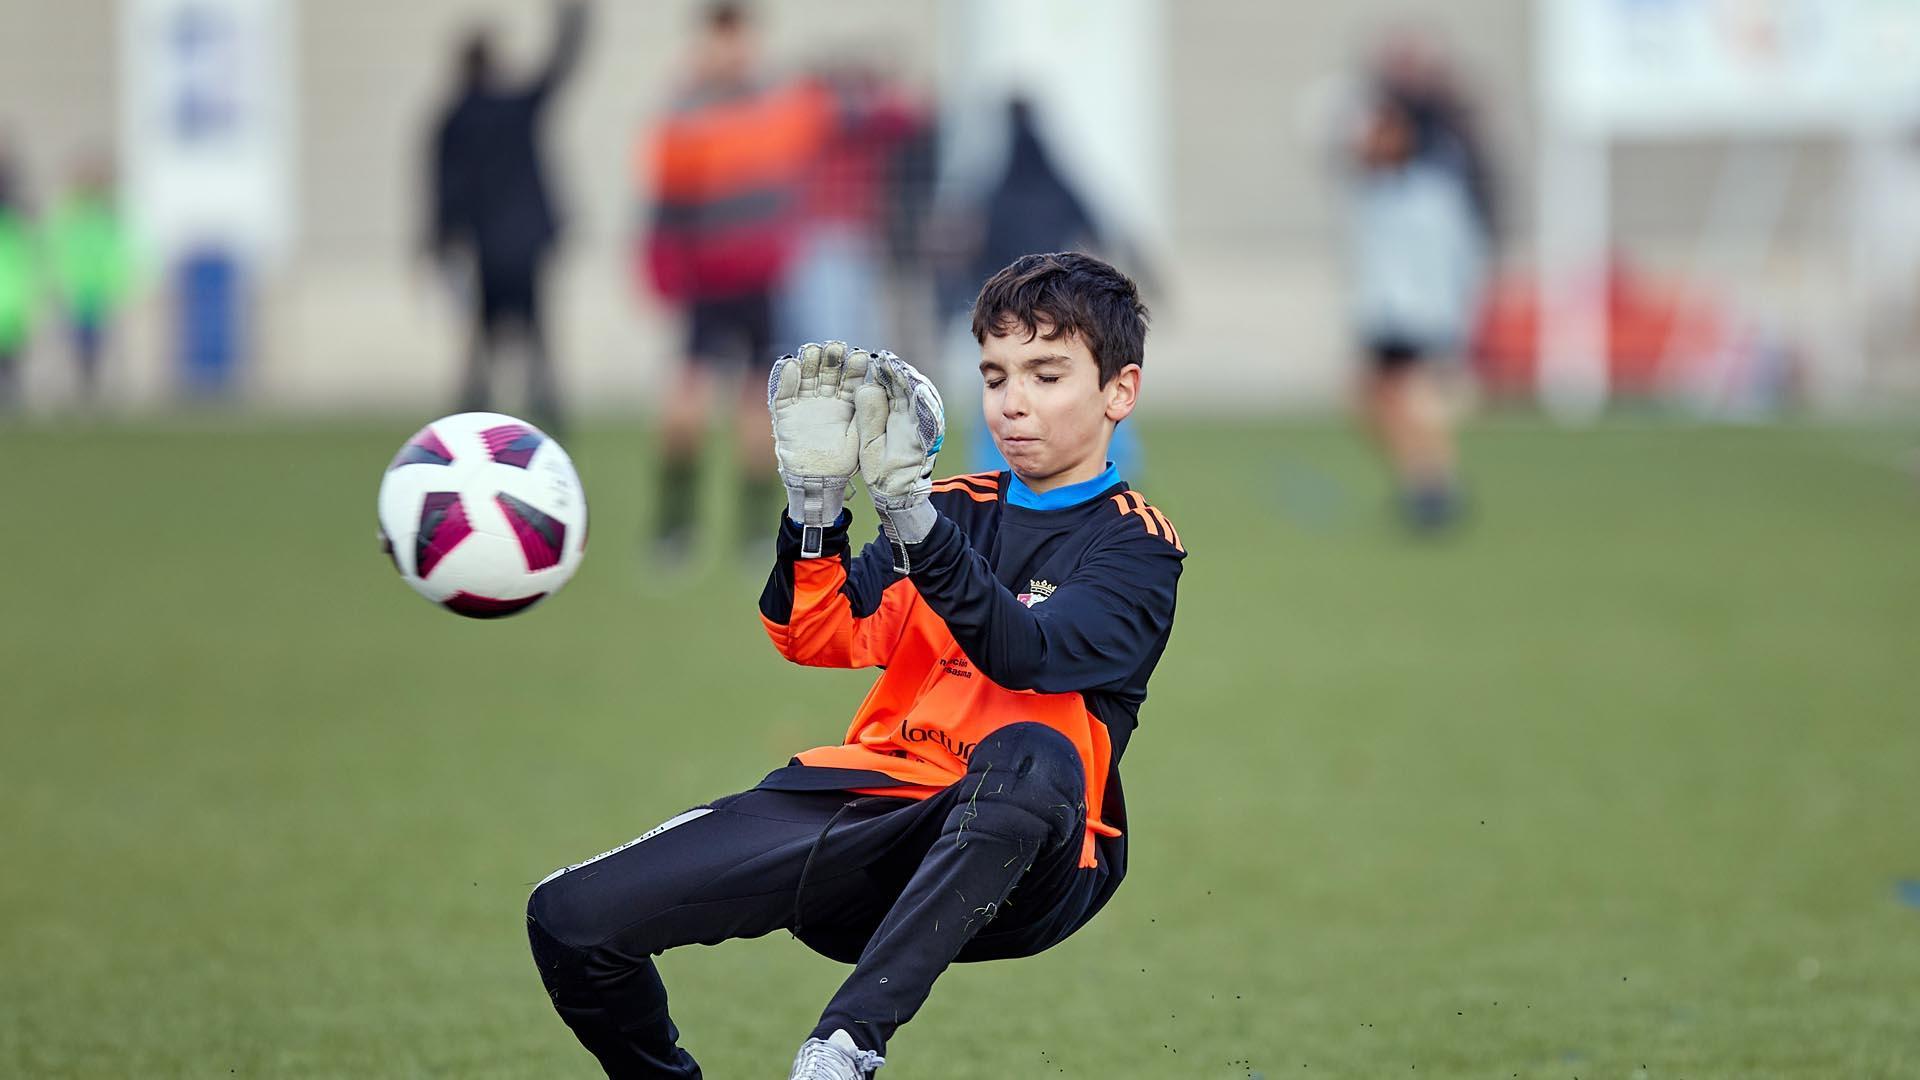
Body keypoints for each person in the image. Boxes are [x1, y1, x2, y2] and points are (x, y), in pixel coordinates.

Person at [527, 252, 1185, 1079]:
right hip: (872, 810)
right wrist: (816, 507)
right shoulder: (951, 506)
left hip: (1027, 864)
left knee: (1033, 752)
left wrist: (915, 520)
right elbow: (816, 631)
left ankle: (844, 1048)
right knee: (568, 919)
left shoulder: (1136, 545)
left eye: (1046, 375)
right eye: (995, 375)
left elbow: (1028, 655)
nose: (1013, 402)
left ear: (1119, 391)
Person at [640, 2, 832, 562]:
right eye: (721, 39)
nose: (732, 51)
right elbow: (665, 201)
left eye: (740, 39)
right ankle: (674, 525)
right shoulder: (685, 113)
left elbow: (823, 128)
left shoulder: (779, 105)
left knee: (758, 407)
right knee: (686, 405)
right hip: (706, 283)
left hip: (761, 282)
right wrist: (661, 265)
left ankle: (754, 530)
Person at [427, 0, 585, 437]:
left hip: (484, 248)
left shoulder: (453, 119)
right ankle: (550, 420)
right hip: (527, 243)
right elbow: (558, 69)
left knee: (482, 340)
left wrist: (438, 244)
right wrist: (572, 18)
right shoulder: (514, 107)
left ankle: (470, 422)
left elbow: (441, 188)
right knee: (536, 337)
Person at [1347, 89, 1486, 531]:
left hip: (1422, 315)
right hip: (1383, 313)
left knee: (1414, 400)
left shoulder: (1433, 193)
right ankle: (1420, 480)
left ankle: (1435, 487)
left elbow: (1462, 257)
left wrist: (1458, 318)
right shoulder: (1373, 189)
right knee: (1376, 401)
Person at [45, 153, 132, 405]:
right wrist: (59, 282)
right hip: (75, 289)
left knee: (96, 347)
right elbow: (58, 247)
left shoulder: (107, 215)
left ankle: (92, 393)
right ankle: (79, 392)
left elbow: (115, 251)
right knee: (77, 346)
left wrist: (116, 282)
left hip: (98, 291)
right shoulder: (70, 213)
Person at [0, 142, 33, 411]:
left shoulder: (15, 216)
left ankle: (11, 398)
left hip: (10, 295)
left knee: (10, 355)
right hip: (11, 294)